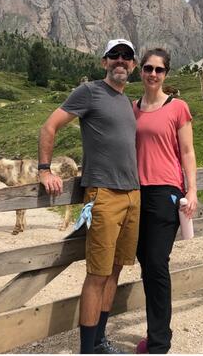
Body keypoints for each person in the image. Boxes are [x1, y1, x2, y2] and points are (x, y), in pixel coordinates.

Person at [38, 38, 140, 354]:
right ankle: (87, 349)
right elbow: (49, 126)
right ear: (104, 62)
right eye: (115, 56)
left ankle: (99, 341)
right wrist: (44, 170)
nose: (120, 61)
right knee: (97, 274)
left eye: (127, 56)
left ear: (133, 65)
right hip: (103, 194)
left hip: (132, 195)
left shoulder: (127, 102)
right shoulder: (89, 91)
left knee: (115, 270)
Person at [133, 48, 198, 354]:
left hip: (165, 193)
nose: (153, 74)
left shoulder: (178, 108)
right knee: (147, 264)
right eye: (148, 68)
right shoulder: (132, 108)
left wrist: (192, 191)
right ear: (140, 71)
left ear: (166, 74)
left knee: (157, 263)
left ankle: (159, 342)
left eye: (159, 70)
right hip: (135, 193)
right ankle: (156, 332)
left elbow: (187, 152)